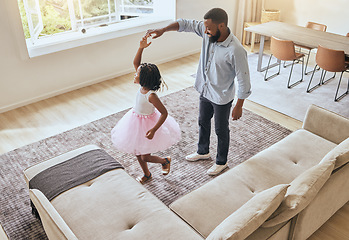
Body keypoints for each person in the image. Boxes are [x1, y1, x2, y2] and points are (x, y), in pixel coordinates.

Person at [146, 8, 251, 176]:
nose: (205, 30)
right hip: (205, 90)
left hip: (221, 97)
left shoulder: (235, 50)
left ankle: (221, 162)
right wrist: (164, 30)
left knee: (221, 130)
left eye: (209, 28)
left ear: (222, 26)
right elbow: (184, 23)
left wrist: (239, 105)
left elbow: (244, 80)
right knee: (203, 121)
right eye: (205, 27)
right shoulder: (208, 33)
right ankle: (203, 151)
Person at [111, 36, 181, 184]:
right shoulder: (142, 86)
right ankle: (147, 174)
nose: (134, 73)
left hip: (148, 125)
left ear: (143, 79)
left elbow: (164, 113)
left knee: (144, 156)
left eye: (137, 74)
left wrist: (154, 130)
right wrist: (141, 47)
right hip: (135, 120)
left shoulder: (151, 95)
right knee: (137, 151)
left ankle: (164, 160)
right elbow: (136, 62)